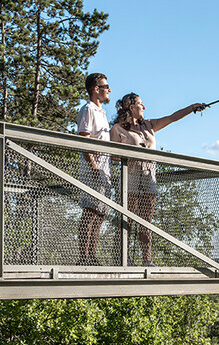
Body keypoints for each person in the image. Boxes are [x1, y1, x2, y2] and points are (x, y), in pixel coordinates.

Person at [110, 93, 208, 266]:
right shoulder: (118, 129)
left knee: (146, 221)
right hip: (130, 179)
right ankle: (123, 258)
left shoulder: (149, 125)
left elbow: (171, 118)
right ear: (131, 108)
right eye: (141, 104)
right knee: (127, 221)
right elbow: (112, 156)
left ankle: (146, 259)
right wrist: (130, 155)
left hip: (149, 179)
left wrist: (192, 107)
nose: (144, 107)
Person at [76, 72, 112, 265]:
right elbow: (84, 139)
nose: (109, 90)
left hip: (105, 172)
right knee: (90, 212)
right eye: (106, 86)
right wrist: (94, 166)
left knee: (100, 214)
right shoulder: (88, 109)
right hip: (94, 171)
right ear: (96, 89)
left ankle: (92, 256)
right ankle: (84, 257)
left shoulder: (102, 112)